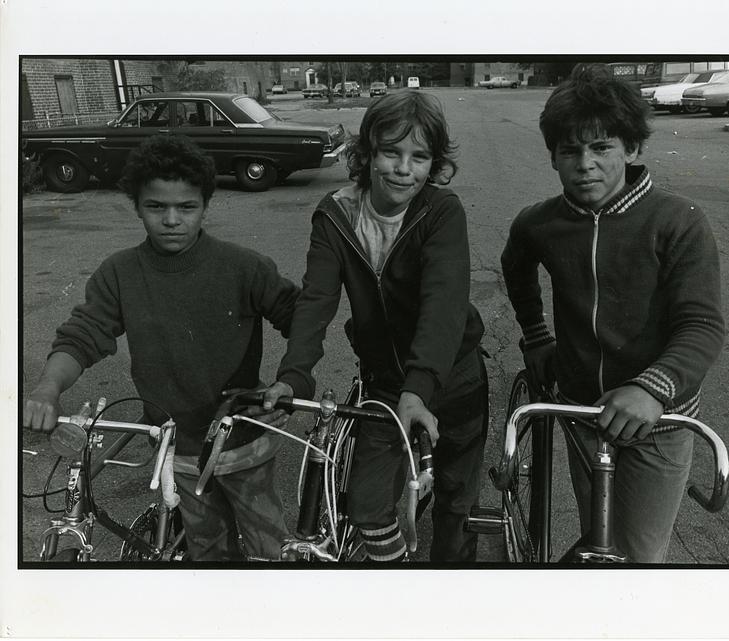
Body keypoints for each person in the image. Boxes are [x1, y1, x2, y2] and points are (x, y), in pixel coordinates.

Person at [23, 134, 300, 562]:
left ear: (206, 206)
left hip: (243, 441)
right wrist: (47, 388)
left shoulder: (244, 267)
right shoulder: (120, 274)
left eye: (186, 207)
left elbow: (299, 320)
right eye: (156, 207)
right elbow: (82, 335)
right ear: (137, 205)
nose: (172, 219)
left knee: (270, 545)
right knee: (206, 548)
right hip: (177, 447)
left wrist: (291, 379)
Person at [501, 64, 725, 563]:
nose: (586, 164)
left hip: (661, 420)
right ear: (553, 157)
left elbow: (702, 324)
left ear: (631, 148)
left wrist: (652, 388)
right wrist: (536, 336)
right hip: (583, 411)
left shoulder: (677, 221)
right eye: (570, 151)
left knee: (640, 555)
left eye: (602, 148)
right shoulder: (540, 223)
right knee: (600, 540)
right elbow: (515, 267)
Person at [262, 91, 488, 563]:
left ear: (434, 164)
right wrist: (294, 374)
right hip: (385, 384)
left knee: (455, 502)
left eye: (420, 157)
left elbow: (443, 304)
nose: (404, 168)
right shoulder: (336, 214)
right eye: (391, 152)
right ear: (366, 153)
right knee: (366, 507)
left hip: (453, 378)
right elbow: (317, 300)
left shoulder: (441, 212)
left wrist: (421, 386)